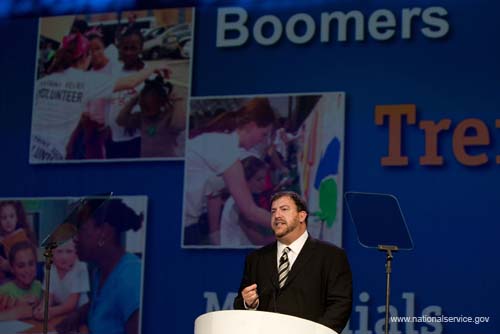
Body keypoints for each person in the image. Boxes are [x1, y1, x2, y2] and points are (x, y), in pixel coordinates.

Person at [30, 29, 168, 161]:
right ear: (85, 57)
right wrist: (154, 68)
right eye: (91, 52)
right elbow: (131, 82)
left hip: (30, 148)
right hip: (53, 153)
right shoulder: (87, 80)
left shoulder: (43, 82)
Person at [233, 191, 352, 333]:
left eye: (284, 209)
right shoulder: (257, 258)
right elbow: (240, 302)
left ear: (302, 216)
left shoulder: (331, 256)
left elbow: (340, 305)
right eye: (273, 211)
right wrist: (249, 303)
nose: (277, 215)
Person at [183, 98, 276, 245]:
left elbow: (213, 193)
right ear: (251, 126)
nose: (263, 140)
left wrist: (215, 234)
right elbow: (250, 211)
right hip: (185, 224)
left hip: (189, 223)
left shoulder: (224, 144)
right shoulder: (226, 149)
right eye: (263, 134)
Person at [55, 198, 143, 334]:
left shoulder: (131, 278)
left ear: (105, 233)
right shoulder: (100, 270)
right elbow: (102, 307)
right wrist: (78, 315)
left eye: (80, 230)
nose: (75, 238)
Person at [116, 75, 187, 157]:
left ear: (160, 103)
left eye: (148, 108)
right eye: (142, 107)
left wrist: (178, 101)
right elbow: (120, 120)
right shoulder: (141, 118)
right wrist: (133, 100)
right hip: (147, 162)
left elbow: (179, 126)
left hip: (166, 161)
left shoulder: (168, 116)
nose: (144, 111)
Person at [220, 156, 274, 247]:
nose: (263, 183)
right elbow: (259, 241)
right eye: (258, 179)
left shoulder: (241, 198)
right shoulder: (240, 204)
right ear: (246, 180)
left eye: (264, 178)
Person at [32, 239, 89, 320]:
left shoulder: (80, 267)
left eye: (69, 251)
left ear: (76, 254)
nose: (64, 257)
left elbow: (71, 304)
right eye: (59, 251)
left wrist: (50, 311)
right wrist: (41, 309)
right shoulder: (49, 268)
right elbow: (48, 297)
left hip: (79, 314)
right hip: (60, 312)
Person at [0, 241, 42, 321]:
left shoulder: (39, 286)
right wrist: (15, 307)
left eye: (31, 264)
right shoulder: (4, 290)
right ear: (12, 269)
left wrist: (38, 305)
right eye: (21, 266)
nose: (27, 270)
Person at [0, 201, 36, 281]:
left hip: (19, 278)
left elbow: (26, 263)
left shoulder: (21, 236)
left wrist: (8, 265)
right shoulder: (2, 239)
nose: (8, 221)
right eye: (4, 217)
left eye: (11, 216)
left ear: (17, 218)